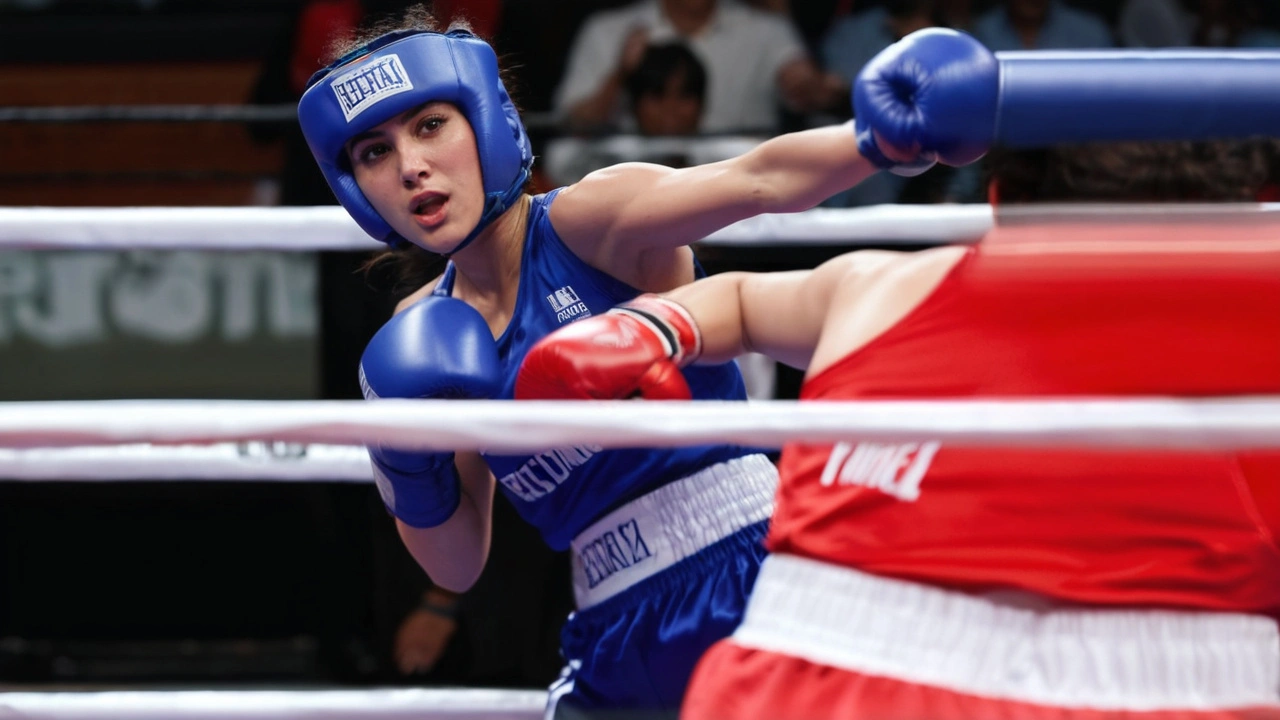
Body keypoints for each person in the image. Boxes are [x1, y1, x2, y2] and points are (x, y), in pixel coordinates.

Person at [514, 88, 1280, 720]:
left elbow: (742, 299)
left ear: (999, 202)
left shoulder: (889, 287)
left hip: (824, 661)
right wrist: (653, 321)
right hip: (846, 638)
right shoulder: (886, 287)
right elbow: (743, 299)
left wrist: (649, 326)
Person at [295, 3, 956, 715]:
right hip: (610, 621)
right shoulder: (418, 336)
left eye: (429, 126)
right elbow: (457, 563)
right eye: (375, 152)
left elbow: (760, 178)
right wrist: (403, 462)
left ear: (484, 121)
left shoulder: (589, 222)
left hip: (751, 569)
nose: (412, 167)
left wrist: (880, 141)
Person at [554, 0, 845, 134]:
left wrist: (815, 90)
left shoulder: (767, 30)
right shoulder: (607, 31)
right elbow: (573, 127)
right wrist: (620, 75)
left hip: (741, 201)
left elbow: (804, 83)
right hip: (635, 199)